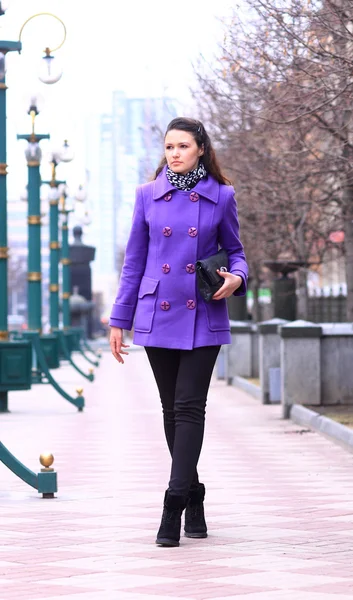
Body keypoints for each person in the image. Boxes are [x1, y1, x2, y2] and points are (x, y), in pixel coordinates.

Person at [109, 117, 248, 547]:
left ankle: (173, 503)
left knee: (189, 408)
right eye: (169, 146)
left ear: (201, 149)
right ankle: (195, 492)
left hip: (203, 313)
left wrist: (236, 279)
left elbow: (238, 254)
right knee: (171, 411)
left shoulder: (221, 197)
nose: (174, 153)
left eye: (183, 146)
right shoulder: (147, 196)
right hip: (157, 311)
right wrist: (119, 319)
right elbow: (134, 262)